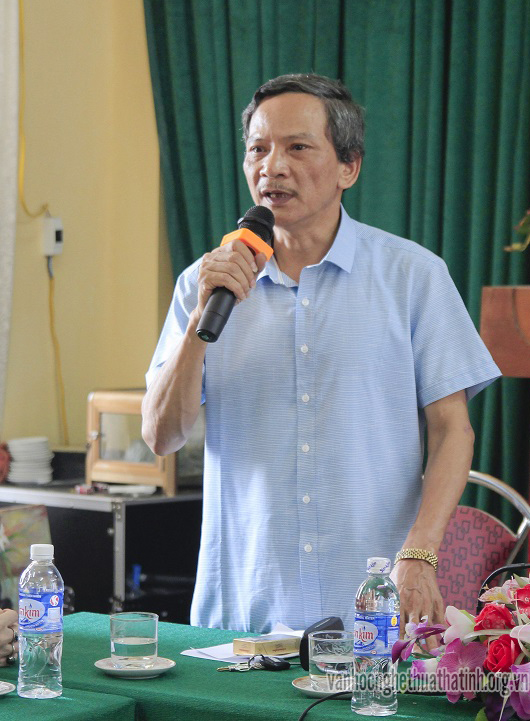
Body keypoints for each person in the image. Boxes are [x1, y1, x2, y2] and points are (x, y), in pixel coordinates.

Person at [142, 73, 501, 634]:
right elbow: (162, 436)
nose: (272, 167)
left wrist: (421, 553)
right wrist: (197, 323)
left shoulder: (413, 276)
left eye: (297, 147)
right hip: (242, 613)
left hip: (374, 608)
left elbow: (453, 430)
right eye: (258, 149)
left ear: (348, 167)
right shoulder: (204, 284)